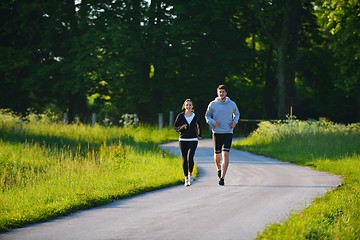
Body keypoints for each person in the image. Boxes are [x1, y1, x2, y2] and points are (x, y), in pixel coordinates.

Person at [205, 84, 240, 186]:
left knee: (225, 154)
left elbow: (237, 114)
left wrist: (235, 122)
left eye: (223, 92)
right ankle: (218, 168)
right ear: (217, 93)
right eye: (220, 92)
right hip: (217, 132)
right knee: (217, 155)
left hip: (228, 132)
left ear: (226, 93)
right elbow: (207, 116)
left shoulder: (232, 104)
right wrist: (212, 122)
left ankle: (222, 178)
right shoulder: (212, 104)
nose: (222, 93)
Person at [173, 99, 203, 186]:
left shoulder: (195, 115)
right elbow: (175, 127)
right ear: (184, 106)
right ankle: (186, 178)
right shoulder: (180, 116)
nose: (188, 106)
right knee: (184, 159)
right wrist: (181, 127)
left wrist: (200, 134)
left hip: (193, 139)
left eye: (190, 105)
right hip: (182, 140)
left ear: (192, 106)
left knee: (190, 157)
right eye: (187, 105)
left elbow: (200, 125)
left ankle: (190, 175)